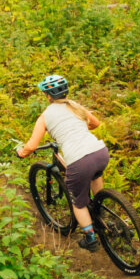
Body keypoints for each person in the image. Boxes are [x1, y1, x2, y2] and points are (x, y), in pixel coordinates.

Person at [16, 74, 110, 251]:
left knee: (78, 203)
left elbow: (32, 145)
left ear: (49, 96)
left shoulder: (45, 116)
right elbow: (95, 123)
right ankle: (101, 210)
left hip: (80, 160)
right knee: (95, 173)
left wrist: (22, 153)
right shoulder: (75, 106)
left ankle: (90, 238)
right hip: (100, 152)